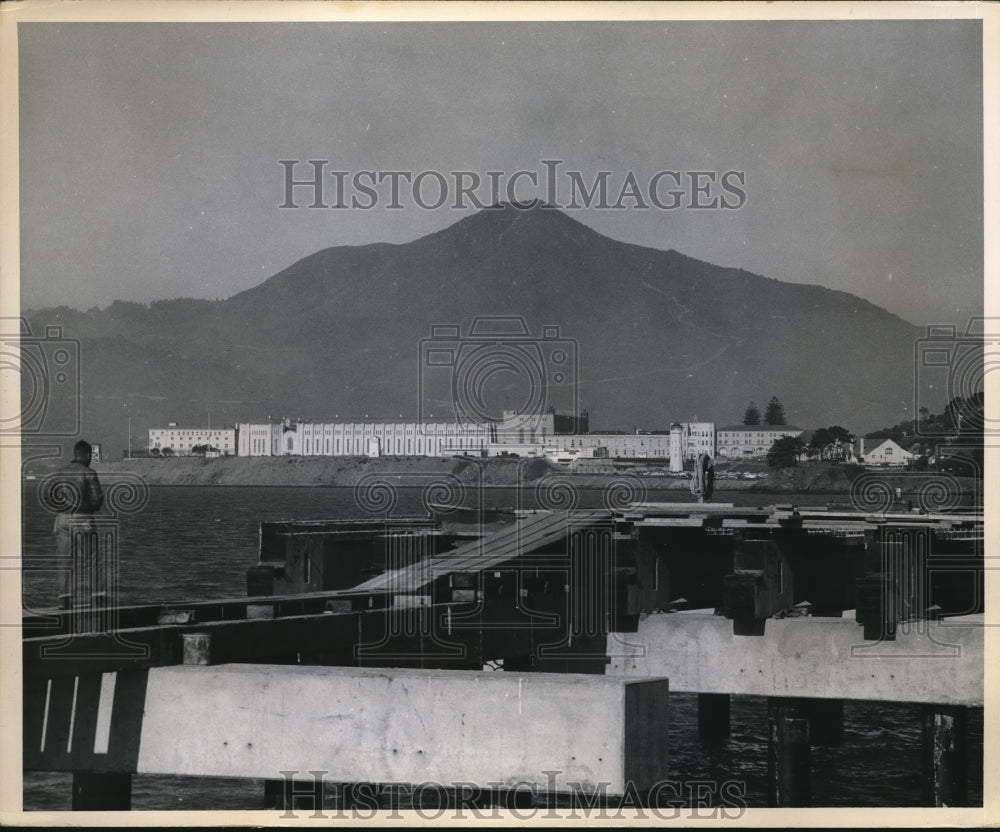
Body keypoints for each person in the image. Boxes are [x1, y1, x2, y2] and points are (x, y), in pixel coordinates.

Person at [53, 440, 104, 609]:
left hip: (61, 519)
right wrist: (85, 507)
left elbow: (48, 497)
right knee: (92, 559)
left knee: (64, 562)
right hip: (83, 520)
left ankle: (64, 600)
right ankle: (97, 598)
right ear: (88, 455)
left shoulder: (60, 473)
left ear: (75, 454)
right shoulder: (89, 472)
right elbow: (97, 500)